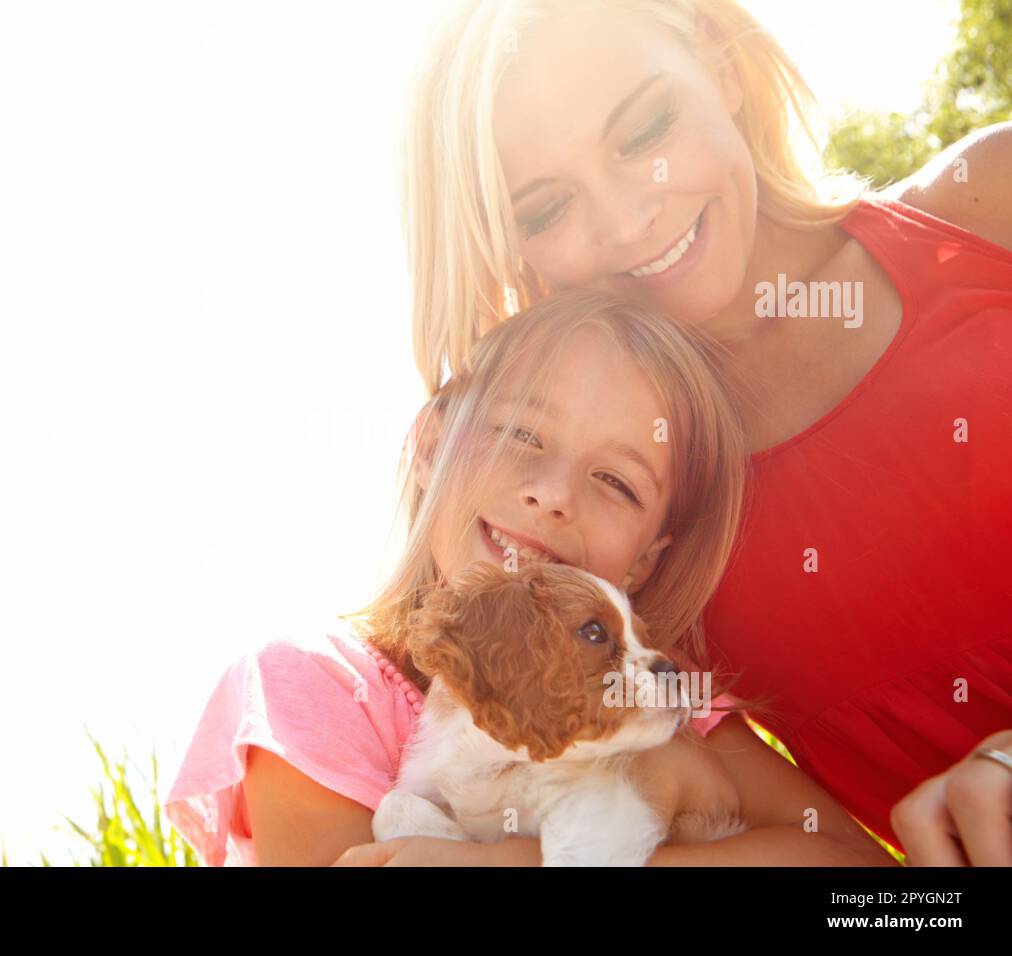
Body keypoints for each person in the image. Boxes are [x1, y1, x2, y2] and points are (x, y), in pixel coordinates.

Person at [400, 0, 1012, 863]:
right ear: (513, 252)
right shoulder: (634, 536)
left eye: (644, 127)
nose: (625, 221)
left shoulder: (990, 200)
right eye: (545, 208)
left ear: (721, 59)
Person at [163, 290, 894, 866]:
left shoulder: (663, 706)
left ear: (646, 559)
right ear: (431, 442)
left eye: (616, 479)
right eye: (520, 433)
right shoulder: (315, 686)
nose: (552, 494)